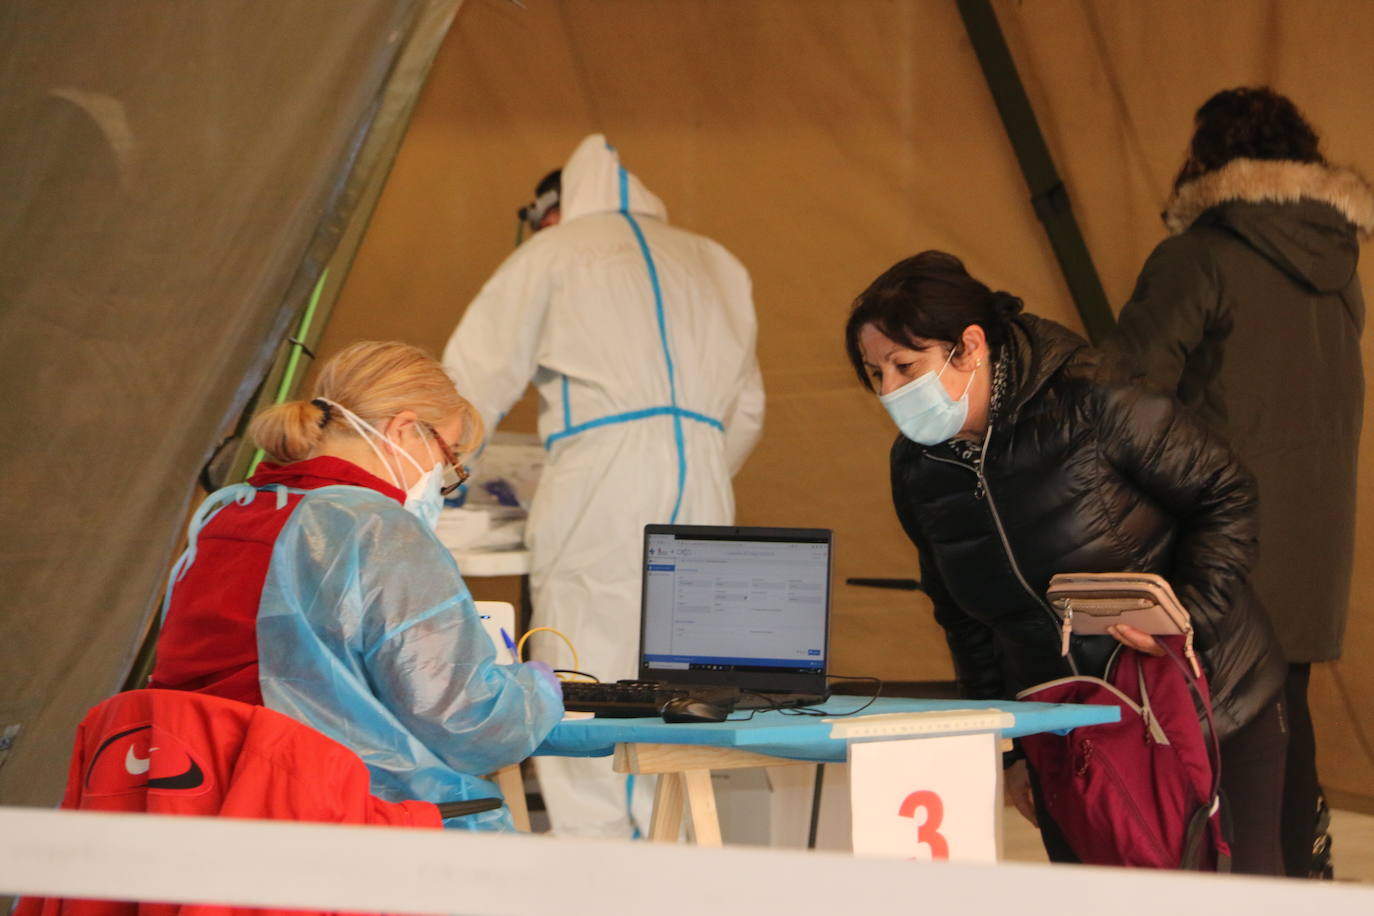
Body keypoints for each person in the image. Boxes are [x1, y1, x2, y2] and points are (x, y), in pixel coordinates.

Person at [844, 250, 1287, 874]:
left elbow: (1226, 493)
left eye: (904, 366)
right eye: (875, 373)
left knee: (1234, 902)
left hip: (1211, 703)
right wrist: (1012, 749)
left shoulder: (1094, 397)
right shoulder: (916, 469)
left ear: (969, 346)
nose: (890, 390)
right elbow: (965, 620)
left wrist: (1188, 620)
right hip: (1070, 737)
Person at [442, 133, 764, 837]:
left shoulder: (552, 255)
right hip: (705, 479)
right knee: (687, 686)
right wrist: (697, 468)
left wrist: (435, 483)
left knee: (585, 672)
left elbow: (471, 381)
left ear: (550, 211)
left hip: (602, 479)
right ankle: (675, 864)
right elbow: (747, 411)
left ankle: (596, 872)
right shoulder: (718, 263)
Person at [1106, 87, 1372, 878]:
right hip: (1314, 544)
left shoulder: (1199, 257)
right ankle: (1298, 881)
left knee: (1214, 743)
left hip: (1218, 544)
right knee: (1284, 715)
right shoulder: (1342, 273)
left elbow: (1124, 397)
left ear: (1209, 160)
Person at [150, 341, 563, 831]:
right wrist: (538, 689)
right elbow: (465, 721)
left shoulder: (227, 513)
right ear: (405, 429)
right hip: (324, 817)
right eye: (447, 457)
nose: (440, 479)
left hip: (195, 807)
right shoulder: (375, 527)